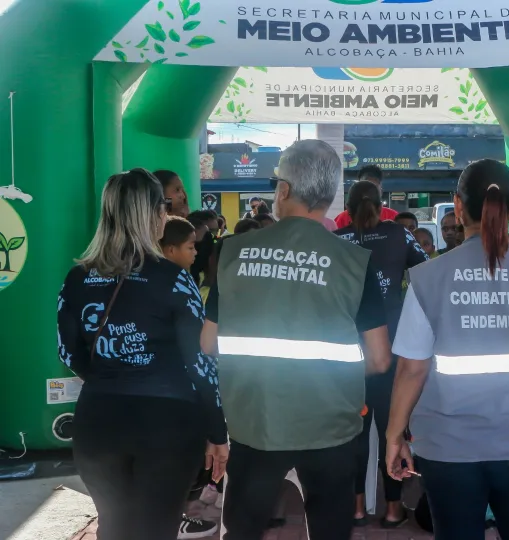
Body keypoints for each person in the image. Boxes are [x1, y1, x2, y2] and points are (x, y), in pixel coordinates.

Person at [204, 140, 393, 540]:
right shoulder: (354, 263)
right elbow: (378, 359)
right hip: (332, 426)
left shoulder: (233, 252)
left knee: (243, 530)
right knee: (330, 530)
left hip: (254, 422)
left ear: (284, 191)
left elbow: (208, 343)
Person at [385, 159, 509, 540]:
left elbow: (412, 369)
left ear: (458, 207)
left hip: (447, 449)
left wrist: (394, 436)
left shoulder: (428, 277)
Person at [56, 169, 227, 540]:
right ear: (152, 213)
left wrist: (109, 376)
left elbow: (67, 353)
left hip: (98, 422)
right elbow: (200, 364)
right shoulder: (174, 277)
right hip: (166, 424)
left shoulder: (77, 278)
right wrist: (218, 430)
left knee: (114, 528)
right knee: (156, 530)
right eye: (163, 207)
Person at [334, 181, 429, 528]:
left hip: (350, 355)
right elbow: (426, 276)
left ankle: (357, 508)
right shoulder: (399, 235)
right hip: (393, 350)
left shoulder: (338, 241)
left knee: (355, 434)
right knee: (395, 429)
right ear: (382, 204)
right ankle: (392, 509)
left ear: (347, 206)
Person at [334, 165, 399, 228]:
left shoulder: (394, 217)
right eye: (363, 188)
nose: (368, 194)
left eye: (373, 190)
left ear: (381, 191)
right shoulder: (341, 219)